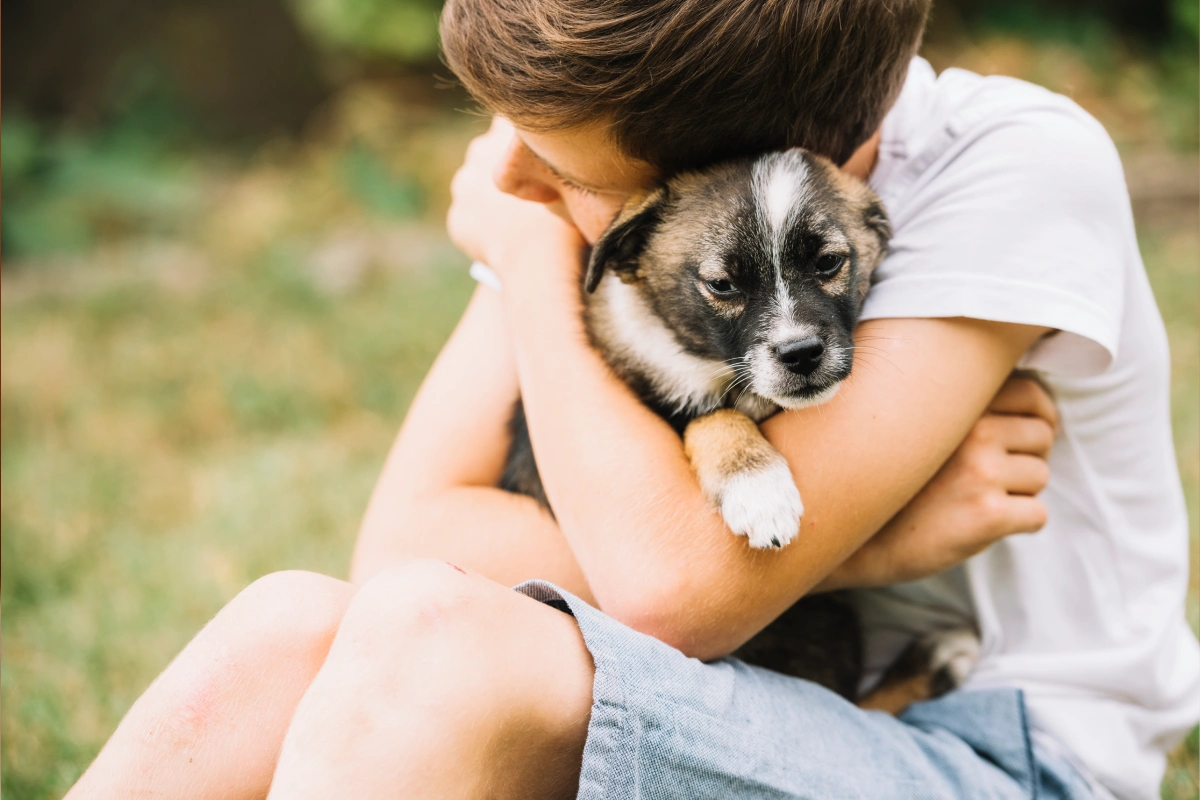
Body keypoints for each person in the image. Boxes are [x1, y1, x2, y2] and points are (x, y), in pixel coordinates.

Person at [66, 1, 1198, 798]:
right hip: (757, 691)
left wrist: (523, 251)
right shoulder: (612, 202)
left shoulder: (1011, 168)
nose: (514, 185)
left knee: (442, 648)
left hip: (994, 756)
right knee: (289, 626)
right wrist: (863, 548)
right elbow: (406, 539)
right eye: (527, 177)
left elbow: (672, 591)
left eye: (568, 185)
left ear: (764, 162)